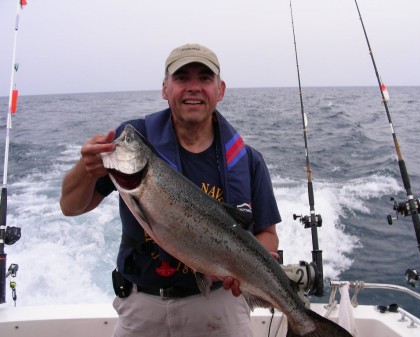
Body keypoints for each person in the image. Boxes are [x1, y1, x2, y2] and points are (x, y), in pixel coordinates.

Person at [60, 43, 281, 337]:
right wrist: (84, 169)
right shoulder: (135, 140)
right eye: (181, 78)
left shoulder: (248, 160)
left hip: (221, 306)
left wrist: (251, 267)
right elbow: (71, 206)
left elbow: (267, 235)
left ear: (220, 90)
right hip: (142, 306)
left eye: (204, 78)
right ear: (165, 88)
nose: (193, 88)